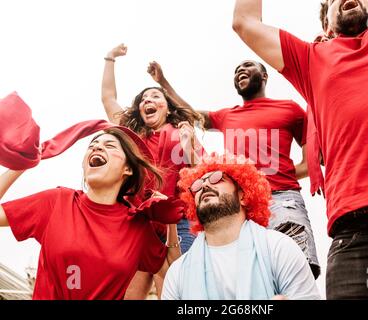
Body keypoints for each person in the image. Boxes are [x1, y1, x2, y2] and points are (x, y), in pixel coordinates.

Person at [232, 0, 368, 298]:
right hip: (365, 244)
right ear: (327, 27)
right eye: (333, 1)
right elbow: (245, 22)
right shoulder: (310, 58)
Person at [150, 59, 321, 279]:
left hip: (283, 199)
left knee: (296, 271)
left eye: (248, 66)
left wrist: (269, 174)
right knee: (250, 278)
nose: (240, 70)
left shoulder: (291, 110)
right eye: (236, 70)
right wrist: (162, 81)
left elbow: (309, 164)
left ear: (264, 76)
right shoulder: (226, 116)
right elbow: (189, 114)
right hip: (240, 206)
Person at [0, 94, 182, 299]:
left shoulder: (137, 225)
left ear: (128, 169)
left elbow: (176, 275)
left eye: (110, 146)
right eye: (93, 145)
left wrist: (171, 225)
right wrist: (22, 164)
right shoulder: (56, 201)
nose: (96, 147)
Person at [101, 45, 204, 297]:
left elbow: (201, 171)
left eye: (155, 97)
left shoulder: (183, 130)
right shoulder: (133, 134)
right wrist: (110, 58)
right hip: (139, 221)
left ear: (167, 107)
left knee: (177, 290)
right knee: (128, 292)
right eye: (143, 99)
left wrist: (187, 145)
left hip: (177, 221)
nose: (148, 101)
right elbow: (108, 98)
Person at [162, 153, 320, 300]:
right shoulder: (178, 273)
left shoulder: (279, 249)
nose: (204, 186)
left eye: (217, 178)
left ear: (243, 196)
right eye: (197, 186)